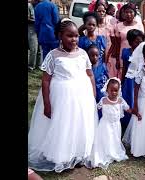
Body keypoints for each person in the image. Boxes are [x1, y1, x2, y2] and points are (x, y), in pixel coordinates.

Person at [28, 19, 98, 173]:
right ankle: (61, 155)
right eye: (69, 36)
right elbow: (46, 81)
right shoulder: (53, 55)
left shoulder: (83, 54)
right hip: (61, 98)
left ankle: (78, 154)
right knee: (63, 125)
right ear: (60, 36)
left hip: (82, 96)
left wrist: (92, 95)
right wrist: (47, 103)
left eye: (76, 36)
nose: (74, 39)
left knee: (79, 124)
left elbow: (90, 75)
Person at [85, 78, 136, 169]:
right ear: (107, 90)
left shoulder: (120, 101)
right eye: (111, 90)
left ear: (119, 90)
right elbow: (96, 108)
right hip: (105, 125)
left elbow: (127, 109)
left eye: (116, 90)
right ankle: (106, 152)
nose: (113, 93)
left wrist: (134, 112)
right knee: (106, 139)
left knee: (114, 139)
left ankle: (114, 151)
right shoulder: (103, 100)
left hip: (116, 125)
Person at [120, 29, 145, 133]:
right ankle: (127, 121)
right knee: (128, 99)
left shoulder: (144, 54)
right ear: (130, 42)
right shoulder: (126, 52)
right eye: (136, 42)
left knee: (138, 100)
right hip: (129, 82)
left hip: (139, 81)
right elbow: (125, 68)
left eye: (141, 41)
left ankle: (138, 119)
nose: (139, 44)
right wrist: (122, 81)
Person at [115, 3, 144, 80]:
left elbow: (142, 42)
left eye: (131, 12)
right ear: (123, 13)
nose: (128, 14)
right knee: (123, 76)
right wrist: (117, 59)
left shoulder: (139, 25)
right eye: (126, 12)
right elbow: (117, 44)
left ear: (134, 13)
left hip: (137, 55)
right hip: (123, 55)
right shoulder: (119, 26)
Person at [28, 0, 40, 71]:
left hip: (37, 29)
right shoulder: (29, 6)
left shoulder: (38, 7)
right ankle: (31, 66)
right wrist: (36, 21)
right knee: (33, 49)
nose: (38, 2)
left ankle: (38, 65)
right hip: (31, 30)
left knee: (39, 49)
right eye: (37, 1)